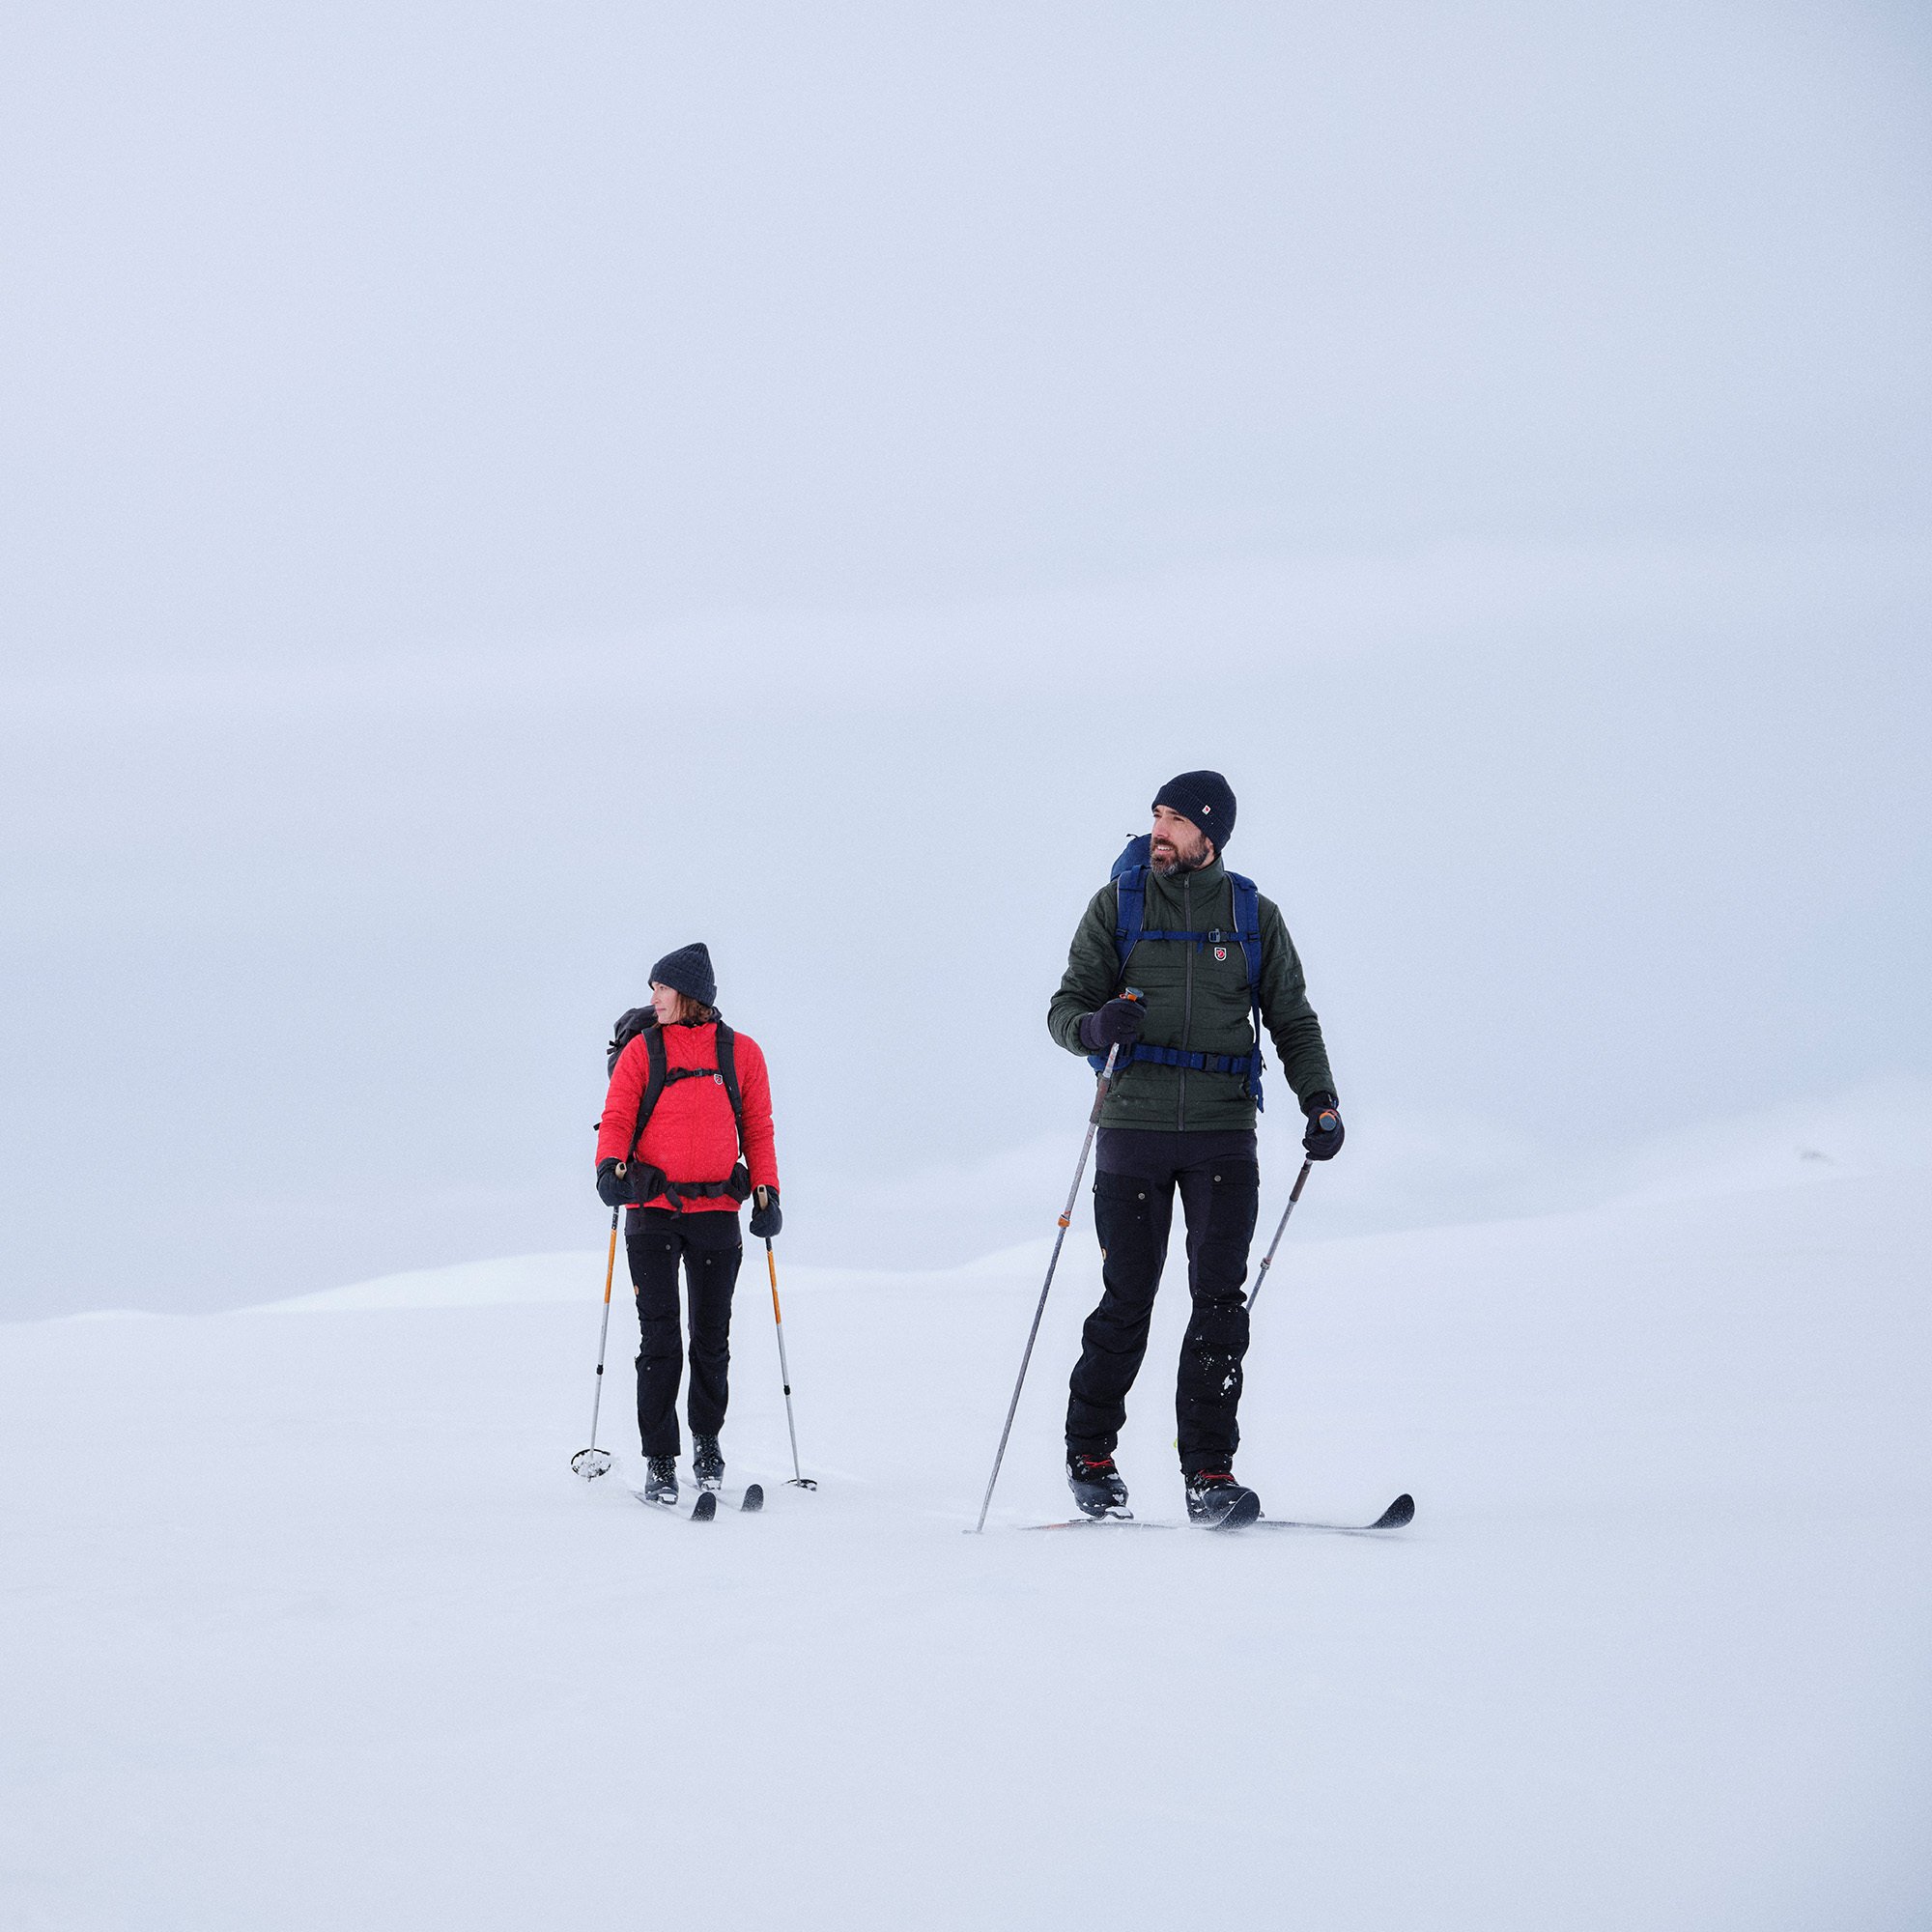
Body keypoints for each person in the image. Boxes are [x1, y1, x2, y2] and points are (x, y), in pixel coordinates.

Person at [1047, 771, 1343, 1525]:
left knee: (1219, 1306)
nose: (1158, 830)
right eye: (1155, 815)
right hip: (1132, 1132)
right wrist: (1094, 1027)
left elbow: (1293, 1019)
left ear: (1210, 834)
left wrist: (1321, 1101)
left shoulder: (1252, 915)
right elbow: (1064, 1007)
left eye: (1173, 818)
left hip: (1222, 1135)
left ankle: (1210, 1472)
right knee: (1128, 1299)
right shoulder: (1118, 907)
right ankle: (1091, 1457)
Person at [594, 943, 781, 1506]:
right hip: (651, 1213)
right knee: (660, 1339)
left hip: (716, 1213)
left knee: (712, 1337)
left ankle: (706, 1442)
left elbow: (759, 1127)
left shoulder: (741, 1053)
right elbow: (619, 1114)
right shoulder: (642, 1051)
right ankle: (660, 1457)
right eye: (652, 989)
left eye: (661, 988)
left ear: (690, 993)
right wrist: (608, 1167)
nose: (654, 998)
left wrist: (768, 1190)